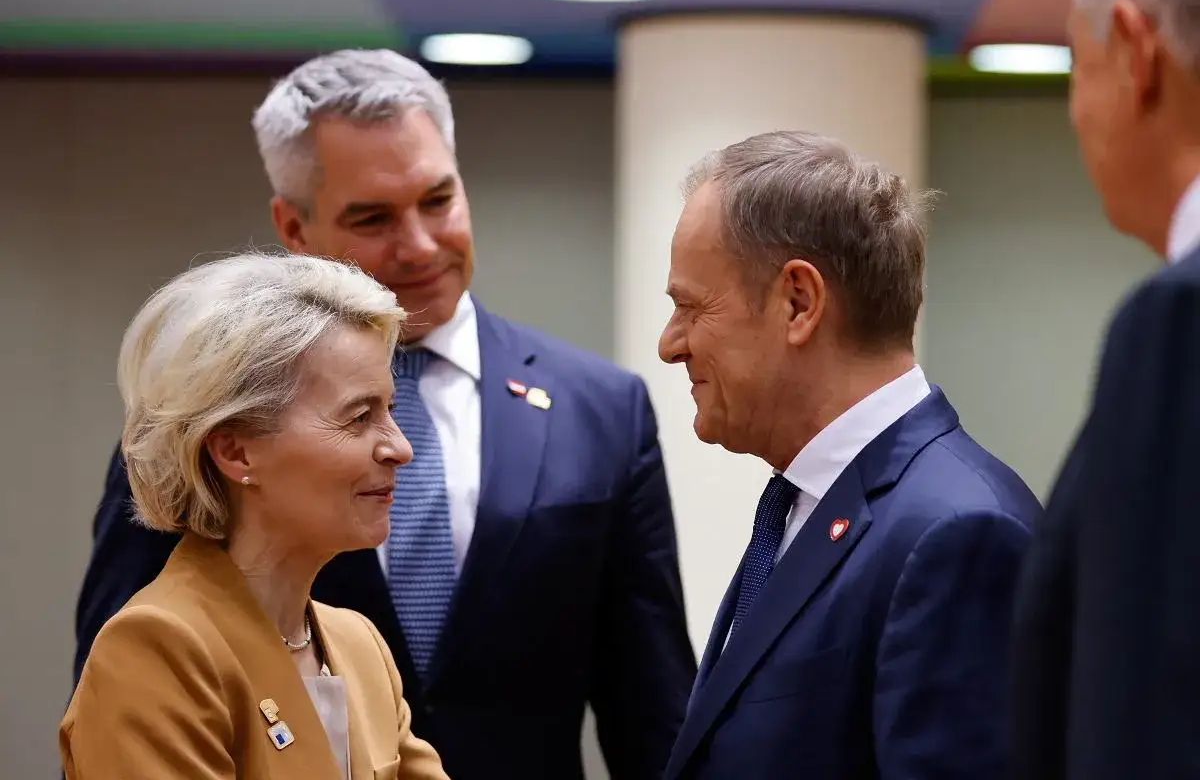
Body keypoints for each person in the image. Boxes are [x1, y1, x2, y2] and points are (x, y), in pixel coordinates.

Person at [71, 49, 696, 780]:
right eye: (372, 217)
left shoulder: (602, 410)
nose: (420, 244)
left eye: (439, 200)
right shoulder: (201, 424)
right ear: (293, 227)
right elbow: (115, 707)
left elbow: (652, 709)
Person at [656, 131, 1042, 780]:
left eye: (691, 308)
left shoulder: (957, 535)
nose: (670, 345)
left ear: (799, 302)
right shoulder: (807, 507)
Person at [62, 252, 448, 779]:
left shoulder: (360, 646)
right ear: (237, 453)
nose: (399, 448)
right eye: (359, 417)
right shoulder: (157, 648)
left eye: (391, 411)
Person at [1009, 0, 1200, 777]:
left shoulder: (1177, 327)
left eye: (1075, 66)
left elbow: (1144, 720)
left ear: (1135, 49)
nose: (1075, 112)